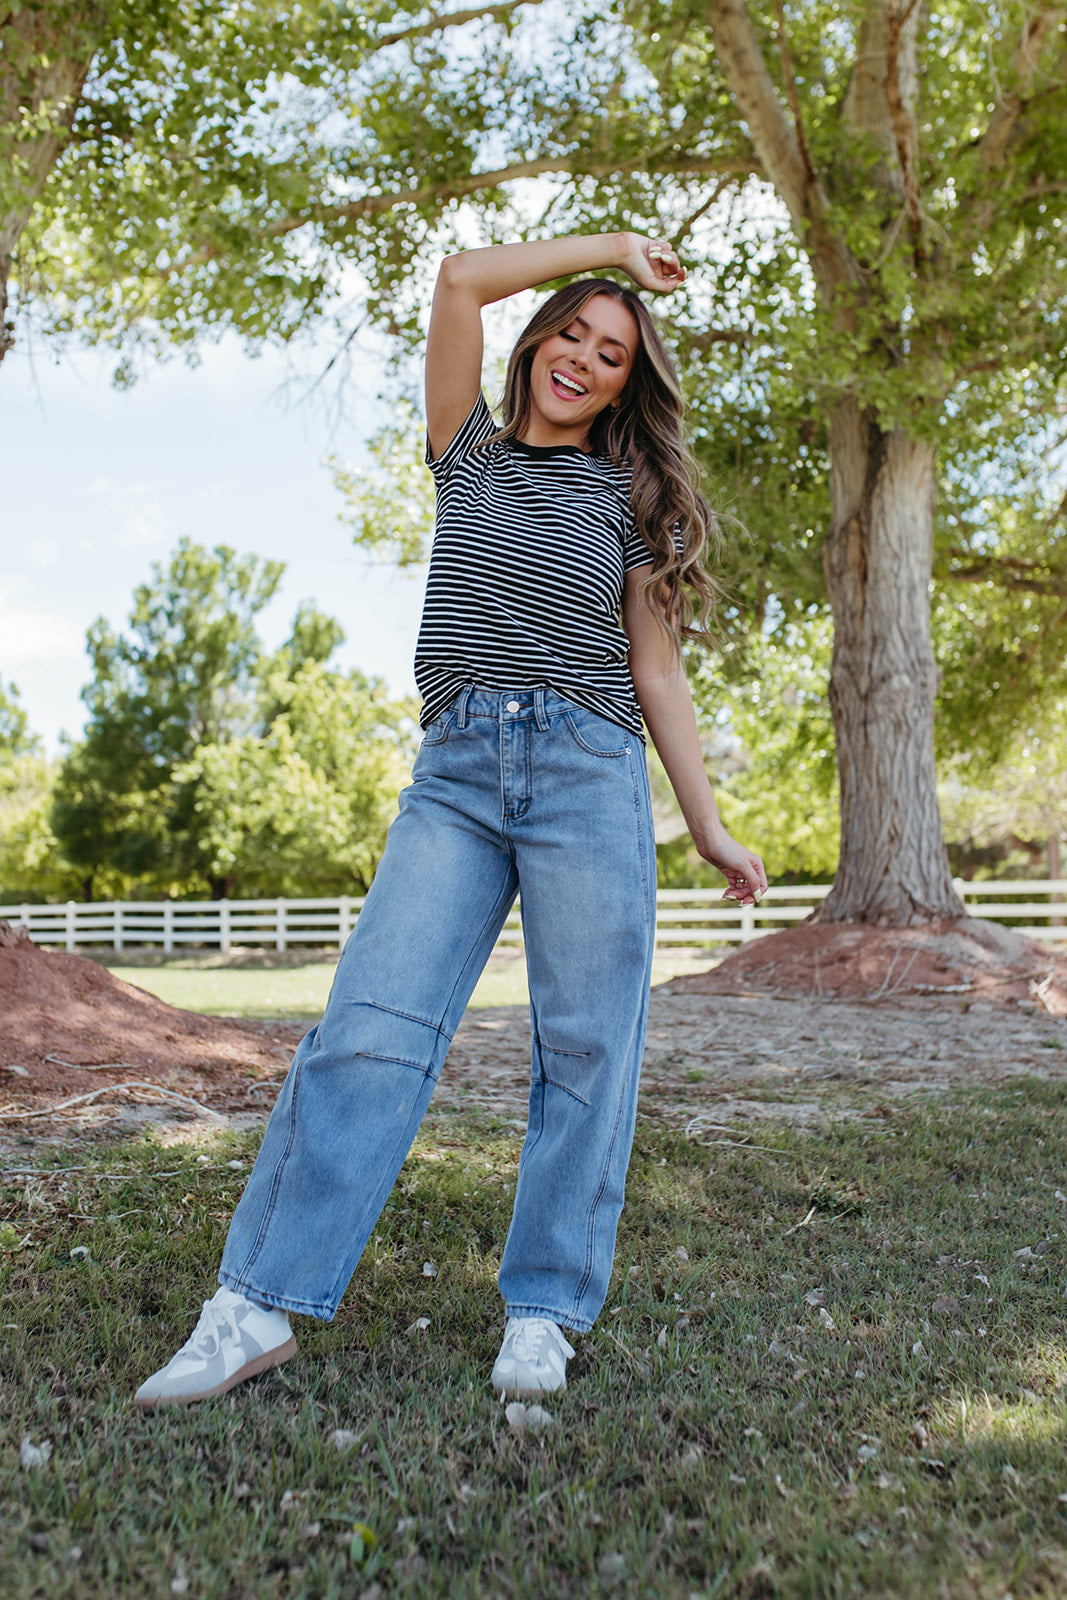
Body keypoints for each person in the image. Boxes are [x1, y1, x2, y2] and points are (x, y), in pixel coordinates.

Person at [134, 232, 766, 1408]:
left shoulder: (629, 497)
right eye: (571, 332)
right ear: (536, 343)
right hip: (458, 774)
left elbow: (658, 675)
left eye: (612, 352)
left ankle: (542, 1311)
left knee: (585, 1051)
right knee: (367, 1027)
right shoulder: (462, 451)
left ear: (629, 386)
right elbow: (463, 274)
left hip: (586, 771)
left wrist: (708, 827)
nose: (581, 357)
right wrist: (617, 250)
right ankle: (254, 1302)